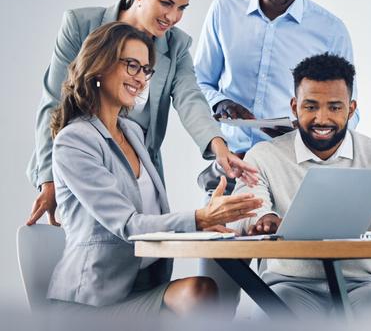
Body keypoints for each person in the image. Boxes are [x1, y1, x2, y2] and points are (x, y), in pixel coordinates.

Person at [27, 0, 257, 228]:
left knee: (150, 256)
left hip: (140, 167)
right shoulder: (81, 26)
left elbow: (190, 99)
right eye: (166, 3)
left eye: (182, 8)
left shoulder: (175, 45)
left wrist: (220, 148)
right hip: (86, 162)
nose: (173, 17)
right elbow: (54, 102)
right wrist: (48, 180)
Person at [47, 22, 263, 315]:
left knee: (206, 291)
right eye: (132, 66)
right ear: (99, 65)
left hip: (145, 286)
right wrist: (198, 218)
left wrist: (204, 224)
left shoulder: (133, 132)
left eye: (146, 70)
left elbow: (154, 219)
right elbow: (129, 225)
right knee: (200, 293)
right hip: (92, 301)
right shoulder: (74, 141)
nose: (140, 78)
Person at [231, 53, 371, 321]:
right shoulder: (263, 156)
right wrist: (262, 219)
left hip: (362, 287)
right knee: (272, 316)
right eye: (310, 107)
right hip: (289, 285)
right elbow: (241, 213)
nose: (322, 118)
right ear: (294, 106)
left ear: (351, 109)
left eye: (334, 107)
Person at [194, 0, 359, 156]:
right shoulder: (224, 10)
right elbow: (199, 81)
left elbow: (350, 112)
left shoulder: (331, 29)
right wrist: (220, 102)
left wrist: (309, 134)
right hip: (231, 161)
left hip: (291, 165)